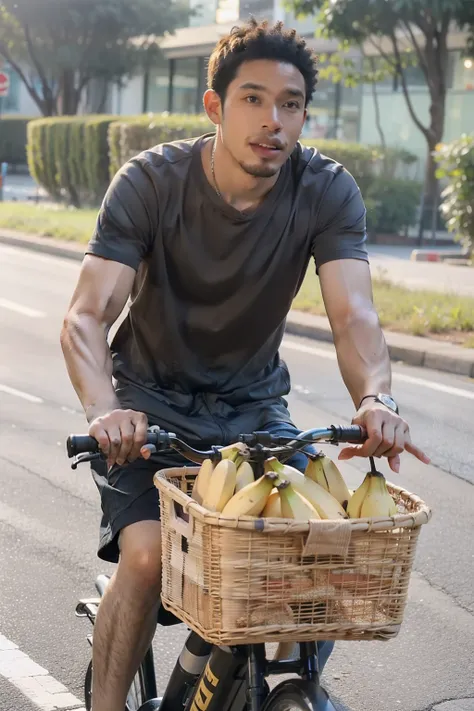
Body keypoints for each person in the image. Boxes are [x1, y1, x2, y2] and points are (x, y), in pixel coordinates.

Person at [60, 18, 430, 711]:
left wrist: (377, 396)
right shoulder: (150, 182)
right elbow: (86, 314)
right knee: (146, 559)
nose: (273, 121)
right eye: (253, 99)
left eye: (290, 104)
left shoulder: (324, 190)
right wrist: (103, 411)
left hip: (255, 410)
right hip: (147, 409)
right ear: (214, 106)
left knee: (302, 558)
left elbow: (355, 314)